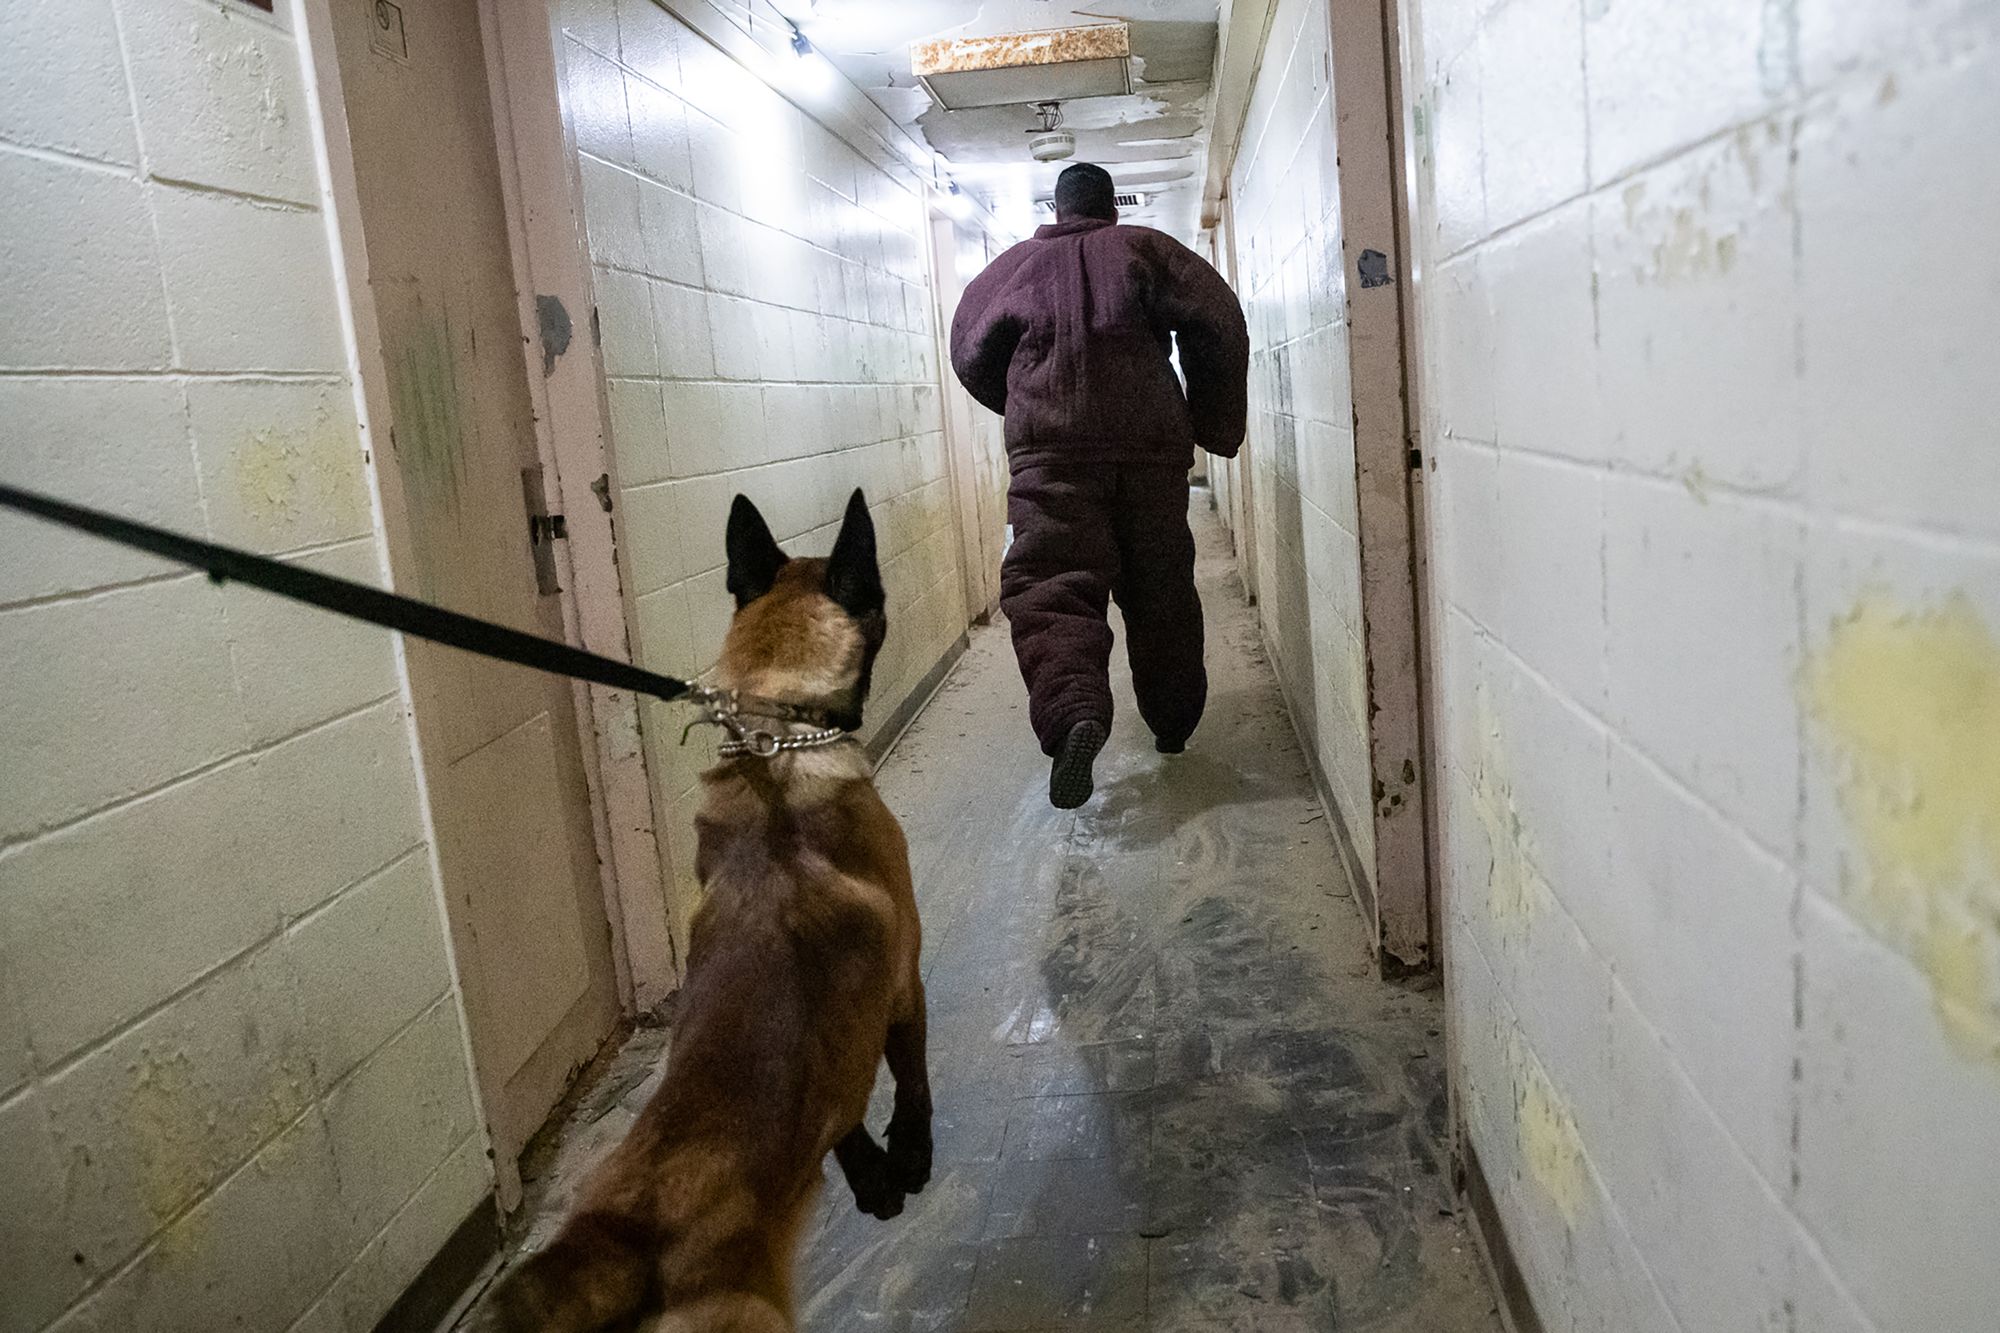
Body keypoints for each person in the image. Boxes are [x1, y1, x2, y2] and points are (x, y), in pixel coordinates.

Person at [950, 162, 1251, 809]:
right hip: (1150, 452)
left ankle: (1074, 713)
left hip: (1051, 457)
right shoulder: (1146, 249)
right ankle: (1172, 725)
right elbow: (1219, 318)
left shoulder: (1012, 269)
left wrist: (1028, 403)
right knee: (1160, 583)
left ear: (1056, 210)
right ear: (1111, 207)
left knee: (1050, 587)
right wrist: (1215, 424)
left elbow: (969, 350)